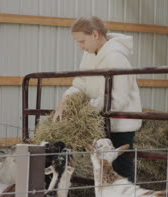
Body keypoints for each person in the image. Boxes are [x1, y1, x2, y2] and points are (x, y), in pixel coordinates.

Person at [52, 16, 142, 182]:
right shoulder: (89, 55)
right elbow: (81, 83)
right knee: (101, 168)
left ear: (95, 34)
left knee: (121, 169)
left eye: (82, 41)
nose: (80, 47)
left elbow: (118, 98)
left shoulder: (116, 57)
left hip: (119, 124)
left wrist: (88, 111)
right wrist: (65, 100)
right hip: (100, 120)